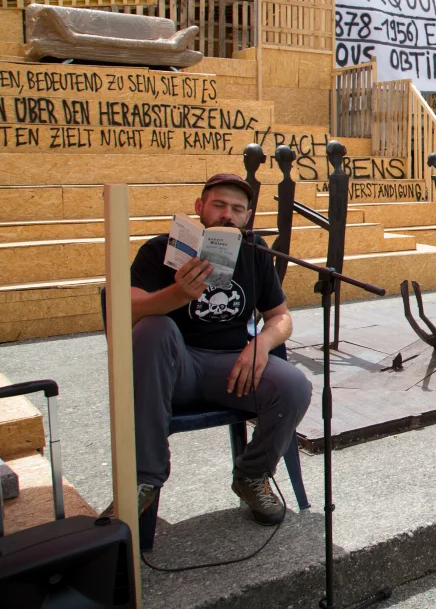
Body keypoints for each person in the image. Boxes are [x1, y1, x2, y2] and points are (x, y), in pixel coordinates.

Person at [118, 174, 311, 525]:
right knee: (154, 327)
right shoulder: (159, 251)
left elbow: (280, 317)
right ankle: (146, 477)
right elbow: (125, 311)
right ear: (200, 207)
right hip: (174, 368)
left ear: (247, 216)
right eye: (219, 205)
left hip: (231, 368)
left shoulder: (254, 252)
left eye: (238, 210)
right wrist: (177, 295)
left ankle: (252, 474)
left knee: (295, 385)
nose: (228, 215)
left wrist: (261, 345)